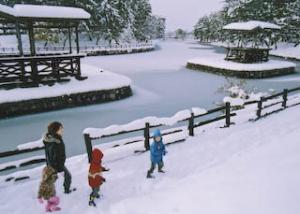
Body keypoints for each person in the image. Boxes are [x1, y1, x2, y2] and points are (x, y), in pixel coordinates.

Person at [43, 121, 75, 194]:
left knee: (53, 179)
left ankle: (47, 191)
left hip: (54, 164)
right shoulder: (55, 142)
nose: (62, 129)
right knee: (67, 177)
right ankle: (66, 190)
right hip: (56, 165)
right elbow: (54, 156)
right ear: (55, 130)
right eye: (60, 128)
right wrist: (59, 168)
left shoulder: (53, 139)